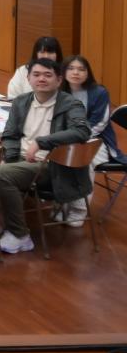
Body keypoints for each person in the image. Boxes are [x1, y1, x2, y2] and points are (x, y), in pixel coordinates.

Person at [0, 58, 91, 253]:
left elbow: (82, 131)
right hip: (21, 160)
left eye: (47, 75)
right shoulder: (21, 101)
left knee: (3, 175)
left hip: (52, 165)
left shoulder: (71, 104)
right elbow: (10, 136)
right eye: (36, 75)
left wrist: (42, 142)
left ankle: (20, 235)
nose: (41, 79)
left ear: (59, 80)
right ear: (28, 78)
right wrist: (11, 159)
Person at [60, 55, 126, 228]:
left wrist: (74, 138)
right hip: (67, 140)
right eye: (71, 68)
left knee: (83, 159)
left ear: (88, 73)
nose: (76, 73)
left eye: (81, 69)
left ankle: (79, 209)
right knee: (56, 157)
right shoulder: (60, 91)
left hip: (97, 141)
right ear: (64, 72)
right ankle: (62, 203)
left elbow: (99, 123)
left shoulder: (99, 92)